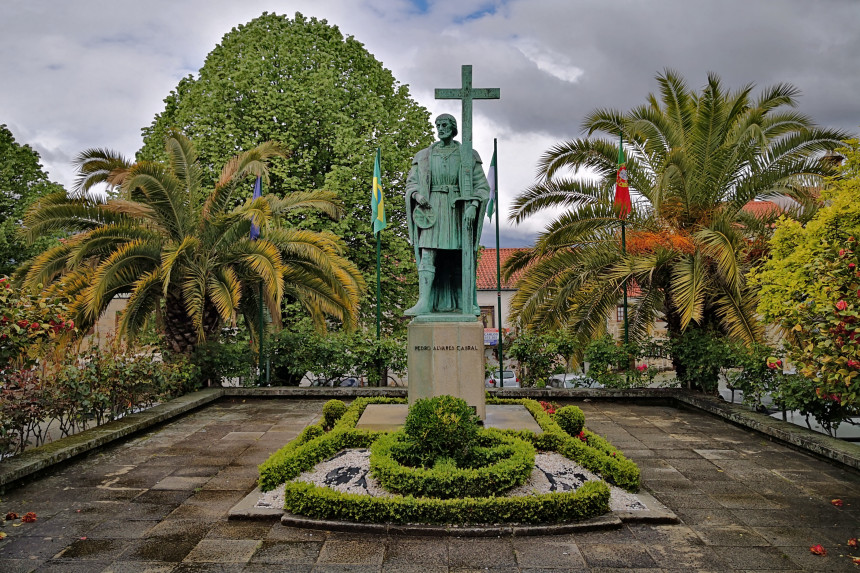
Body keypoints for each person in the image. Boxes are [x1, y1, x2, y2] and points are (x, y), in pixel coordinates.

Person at [405, 114, 490, 316]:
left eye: (444, 125)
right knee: (428, 254)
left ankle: (465, 301)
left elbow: (482, 187)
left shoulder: (467, 154)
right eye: (438, 125)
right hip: (431, 210)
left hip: (457, 211)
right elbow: (412, 182)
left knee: (460, 255)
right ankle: (424, 302)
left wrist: (474, 205)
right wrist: (416, 195)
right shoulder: (423, 156)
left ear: (453, 128)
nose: (440, 128)